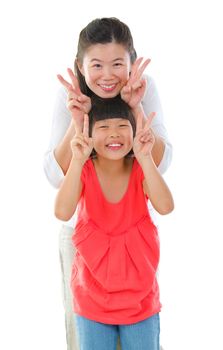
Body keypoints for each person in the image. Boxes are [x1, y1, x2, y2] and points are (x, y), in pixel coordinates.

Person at [44, 17, 172, 350]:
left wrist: (136, 106)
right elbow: (55, 176)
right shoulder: (70, 96)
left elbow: (159, 163)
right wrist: (78, 121)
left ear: (132, 63)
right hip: (88, 243)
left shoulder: (145, 88)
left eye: (118, 64)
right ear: (80, 66)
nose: (107, 75)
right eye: (96, 65)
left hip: (134, 252)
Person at [54, 95, 174, 350]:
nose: (114, 134)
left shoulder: (140, 169)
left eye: (122, 126)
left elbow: (166, 206)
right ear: (89, 133)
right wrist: (76, 160)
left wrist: (146, 158)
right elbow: (62, 212)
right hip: (92, 300)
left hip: (139, 300)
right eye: (103, 127)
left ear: (134, 131)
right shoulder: (84, 171)